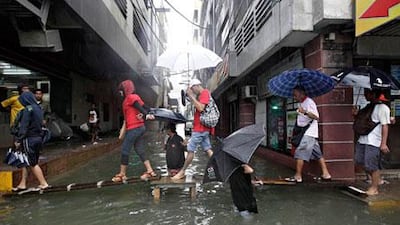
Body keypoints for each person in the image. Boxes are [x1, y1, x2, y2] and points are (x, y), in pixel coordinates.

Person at [112, 80, 157, 182]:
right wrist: (149, 112)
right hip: (140, 128)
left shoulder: (129, 98)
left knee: (125, 149)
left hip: (134, 128)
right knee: (139, 149)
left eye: (121, 90)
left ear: (125, 89)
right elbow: (144, 107)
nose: (120, 93)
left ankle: (122, 174)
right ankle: (150, 170)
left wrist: (145, 114)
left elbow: (139, 107)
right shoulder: (135, 97)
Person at [285, 86, 331, 183]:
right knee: (318, 154)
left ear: (302, 94)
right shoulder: (301, 103)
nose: (294, 97)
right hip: (309, 133)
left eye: (296, 95)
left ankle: (298, 176)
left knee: (300, 153)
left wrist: (305, 112)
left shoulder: (309, 102)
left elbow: (316, 117)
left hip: (308, 133)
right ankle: (326, 174)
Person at [171, 78, 214, 180]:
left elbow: (201, 108)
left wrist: (191, 96)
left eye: (193, 89)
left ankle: (182, 172)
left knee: (190, 150)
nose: (193, 91)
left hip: (200, 128)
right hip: (202, 128)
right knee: (208, 150)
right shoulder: (201, 95)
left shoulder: (204, 93)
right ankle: (220, 166)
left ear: (197, 86)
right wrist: (190, 97)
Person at [355, 89, 391, 196]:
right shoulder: (368, 107)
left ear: (374, 94)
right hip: (363, 139)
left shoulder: (383, 108)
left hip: (374, 141)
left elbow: (385, 126)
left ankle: (374, 188)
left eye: (368, 93)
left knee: (371, 165)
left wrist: (383, 143)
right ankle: (377, 179)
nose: (365, 95)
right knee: (359, 161)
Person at [12, 91, 50, 191]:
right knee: (27, 161)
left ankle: (43, 183)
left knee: (32, 163)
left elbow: (24, 126)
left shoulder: (28, 109)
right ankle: (22, 183)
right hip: (38, 138)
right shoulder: (39, 109)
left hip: (29, 139)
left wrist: (19, 139)